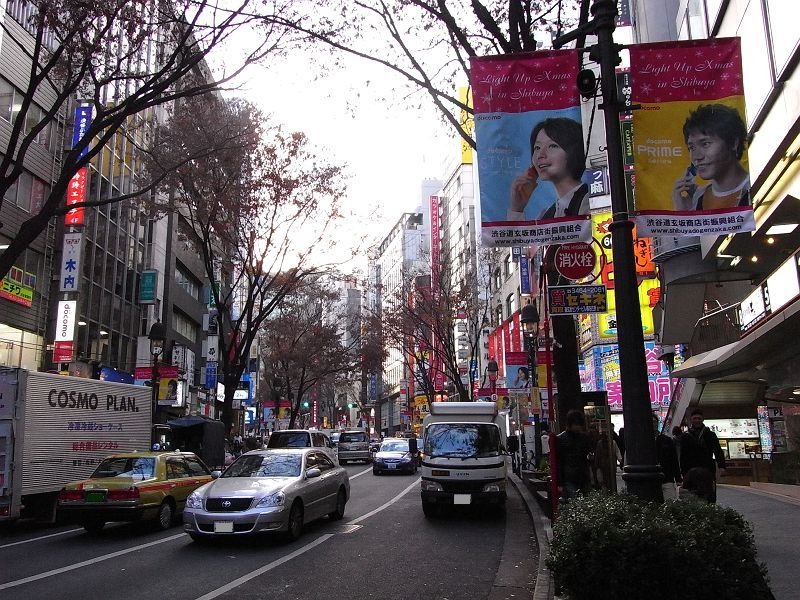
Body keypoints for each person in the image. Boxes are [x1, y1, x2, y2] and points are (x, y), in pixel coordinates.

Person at [672, 103, 750, 211]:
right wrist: (685, 214)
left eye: (705, 144)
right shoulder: (697, 197)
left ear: (733, 143)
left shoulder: (755, 186)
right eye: (692, 148)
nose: (697, 157)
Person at [508, 117, 589, 220]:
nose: (540, 155)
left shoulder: (589, 200)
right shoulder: (545, 215)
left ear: (574, 151)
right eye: (537, 148)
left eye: (552, 146)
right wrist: (517, 209)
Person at [680, 408, 726, 502]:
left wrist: (722, 466)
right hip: (690, 469)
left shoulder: (710, 435)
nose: (697, 420)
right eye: (695, 418)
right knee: (691, 495)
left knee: (709, 495)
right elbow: (682, 455)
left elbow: (717, 450)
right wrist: (683, 471)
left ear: (702, 419)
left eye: (699, 418)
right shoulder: (685, 436)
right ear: (691, 420)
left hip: (707, 468)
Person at [556, 409, 593, 500]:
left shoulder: (583, 438)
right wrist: (560, 483)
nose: (578, 427)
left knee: (580, 501)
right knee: (576, 500)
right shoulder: (562, 439)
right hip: (571, 476)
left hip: (579, 475)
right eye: (576, 424)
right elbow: (559, 461)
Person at [653, 414, 682, 500]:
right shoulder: (642, 442)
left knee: (670, 504)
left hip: (667, 478)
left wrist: (678, 478)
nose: (653, 424)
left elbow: (674, 459)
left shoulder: (667, 440)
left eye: (654, 422)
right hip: (650, 479)